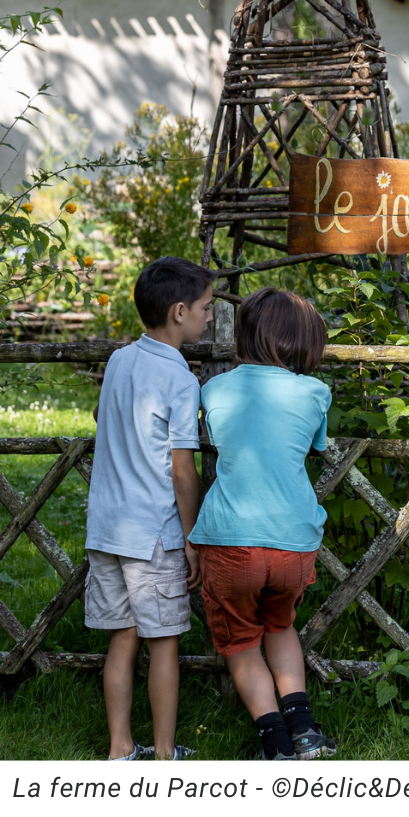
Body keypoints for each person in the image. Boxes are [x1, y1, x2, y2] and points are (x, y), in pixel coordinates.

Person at [190, 288, 337, 761]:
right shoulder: (316, 392)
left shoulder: (213, 389)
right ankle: (306, 730)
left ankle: (274, 741)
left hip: (231, 540)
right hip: (293, 541)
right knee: (280, 626)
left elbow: (217, 438)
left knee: (239, 641)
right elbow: (314, 447)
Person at [85, 256, 214, 761]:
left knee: (123, 638)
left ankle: (121, 750)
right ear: (179, 312)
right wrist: (192, 536)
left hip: (106, 529)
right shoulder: (181, 380)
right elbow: (183, 470)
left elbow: (101, 413)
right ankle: (163, 754)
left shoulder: (119, 361)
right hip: (153, 534)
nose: (208, 316)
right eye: (204, 308)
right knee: (163, 644)